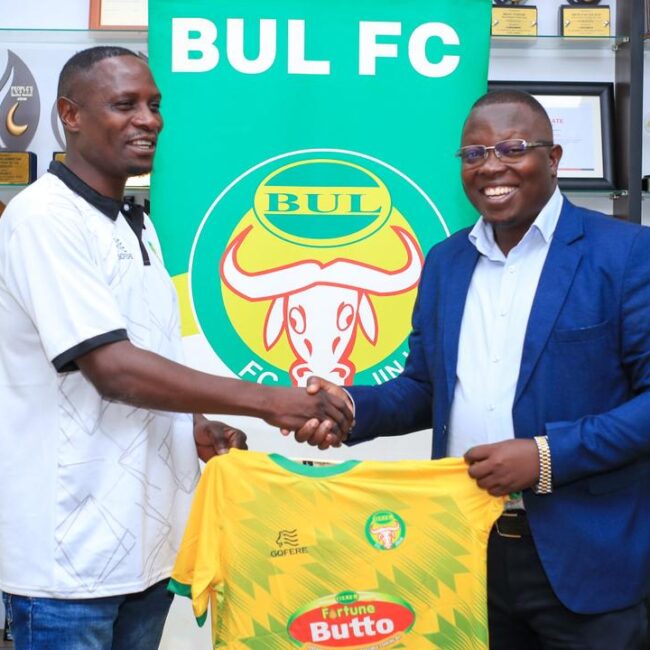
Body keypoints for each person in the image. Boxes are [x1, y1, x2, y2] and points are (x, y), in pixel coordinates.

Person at [0, 46, 352, 650]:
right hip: (67, 565)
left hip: (148, 555)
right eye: (125, 104)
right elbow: (112, 368)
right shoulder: (44, 218)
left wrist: (193, 427)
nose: (149, 120)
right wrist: (274, 402)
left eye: (154, 105)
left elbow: (149, 352)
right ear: (69, 114)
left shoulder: (136, 223)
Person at [296, 90, 650, 648]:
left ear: (554, 158)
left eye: (513, 148)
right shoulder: (445, 261)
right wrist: (349, 407)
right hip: (464, 546)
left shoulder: (627, 253)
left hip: (588, 557)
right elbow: (425, 387)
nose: (491, 167)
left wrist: (546, 457)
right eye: (474, 154)